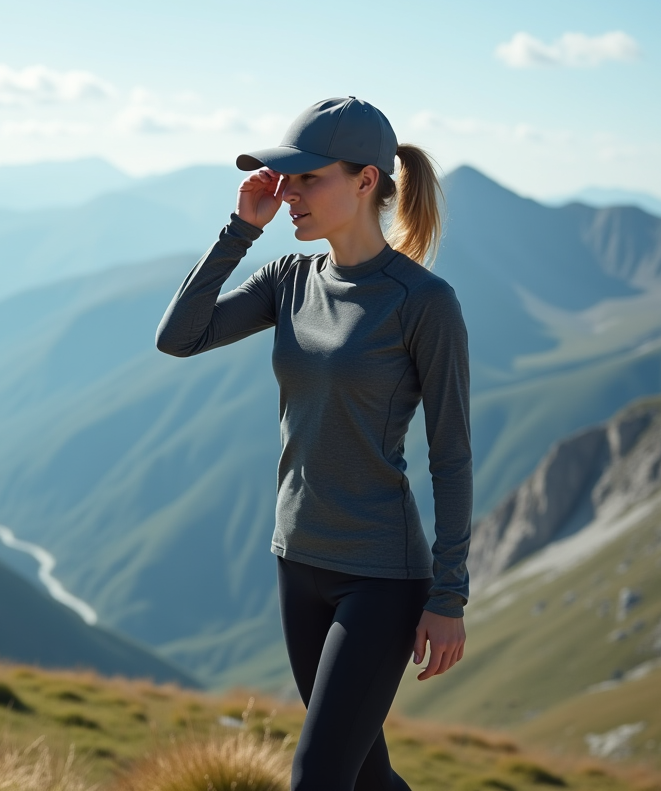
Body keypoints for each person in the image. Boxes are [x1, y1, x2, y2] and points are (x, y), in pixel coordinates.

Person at [154, 96, 472, 790]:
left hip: (381, 575)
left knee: (317, 776)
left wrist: (448, 596)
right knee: (363, 774)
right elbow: (179, 338)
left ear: (365, 182)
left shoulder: (423, 302)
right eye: (283, 179)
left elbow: (450, 455)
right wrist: (241, 229)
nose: (288, 194)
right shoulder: (288, 280)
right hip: (298, 558)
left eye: (307, 179)